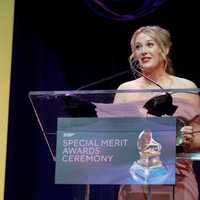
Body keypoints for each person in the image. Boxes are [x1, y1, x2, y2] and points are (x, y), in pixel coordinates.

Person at [113, 26, 200, 200]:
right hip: (134, 180)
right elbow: (113, 138)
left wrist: (189, 140)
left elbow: (199, 139)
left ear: (165, 49)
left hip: (178, 180)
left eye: (149, 44)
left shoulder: (186, 88)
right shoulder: (125, 90)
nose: (143, 51)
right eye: (138, 47)